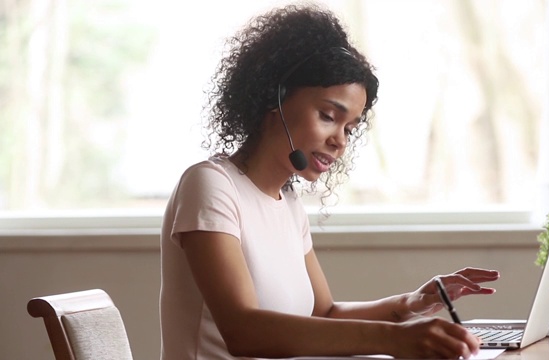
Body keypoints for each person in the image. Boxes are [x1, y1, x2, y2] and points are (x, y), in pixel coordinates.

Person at [159, 4, 500, 359]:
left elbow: (325, 314)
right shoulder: (210, 186)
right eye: (328, 116)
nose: (340, 140)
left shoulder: (287, 203)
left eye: (349, 128)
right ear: (273, 97)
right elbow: (244, 331)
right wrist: (394, 340)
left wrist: (409, 304)